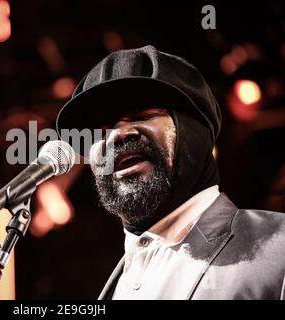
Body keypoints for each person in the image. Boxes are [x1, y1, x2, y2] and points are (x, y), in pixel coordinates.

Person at [56, 45, 285, 300]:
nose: (117, 135)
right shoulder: (114, 289)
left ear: (195, 132)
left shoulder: (280, 249)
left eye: (142, 114)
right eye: (100, 132)